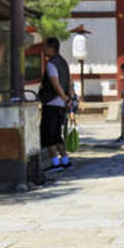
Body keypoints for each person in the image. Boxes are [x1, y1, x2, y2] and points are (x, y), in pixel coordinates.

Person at [38, 37, 72, 169]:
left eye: (45, 47)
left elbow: (55, 83)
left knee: (48, 134)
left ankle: (55, 162)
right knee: (57, 134)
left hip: (52, 101)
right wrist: (69, 98)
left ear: (51, 48)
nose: (43, 49)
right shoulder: (63, 62)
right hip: (62, 104)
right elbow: (68, 82)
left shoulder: (51, 64)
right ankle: (65, 160)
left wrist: (64, 97)